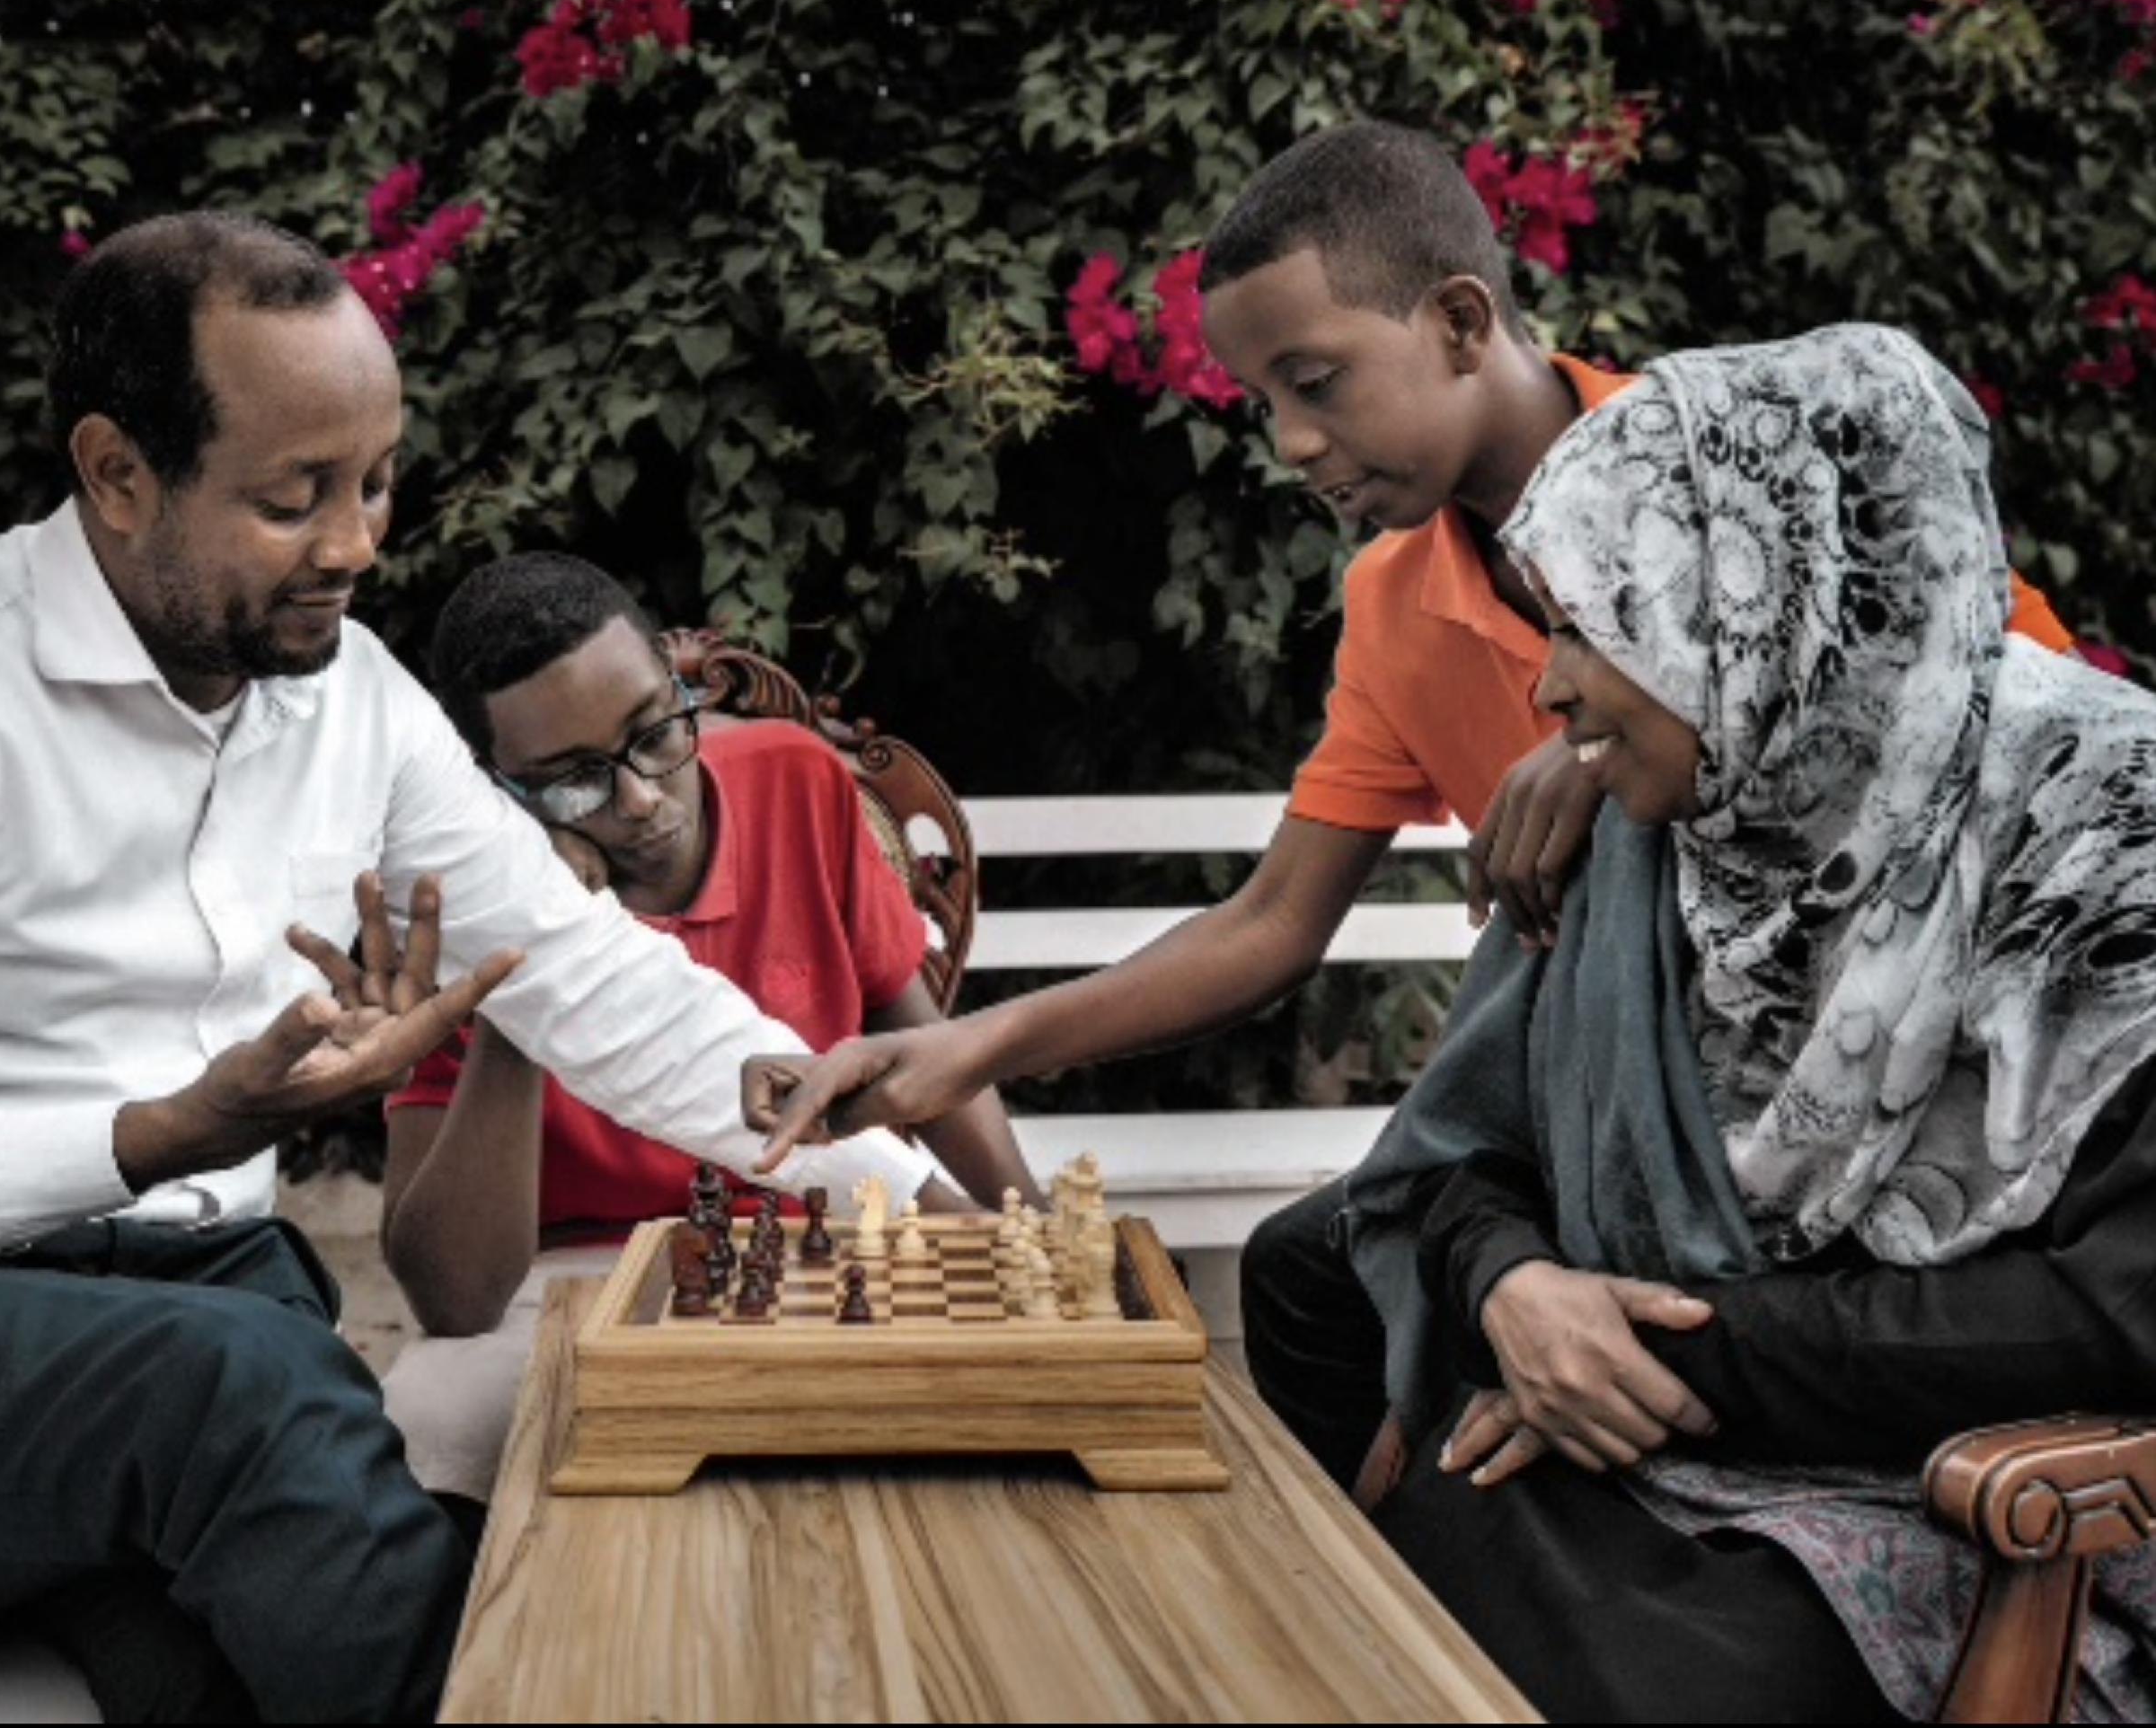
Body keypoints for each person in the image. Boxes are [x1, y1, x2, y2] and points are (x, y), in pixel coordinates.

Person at [0, 211, 933, 1724]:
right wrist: (162, 1135)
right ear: (115, 473)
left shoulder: (349, 697)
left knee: (238, 1554)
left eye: (374, 482)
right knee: (249, 1390)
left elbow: (577, 967)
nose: (358, 544)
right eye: (296, 496)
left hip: (173, 1344)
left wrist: (894, 1178)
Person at [741, 120, 2072, 1172]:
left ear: (1457, 321)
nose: (1291, 445)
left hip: (1927, 1065)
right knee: (1325, 1279)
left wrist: (1612, 756)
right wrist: (969, 1047)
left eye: (1314, 383)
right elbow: (1271, 921)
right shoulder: (1391, 605)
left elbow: (2006, 732)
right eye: (1264, 402)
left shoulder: (1743, 474)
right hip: (1641, 1098)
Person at [1256, 324, 2156, 1722]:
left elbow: (2109, 1313)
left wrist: (1655, 1355)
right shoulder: (1673, 827)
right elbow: (1461, 1154)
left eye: (1587, 624)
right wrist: (1515, 1288)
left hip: (1963, 1479)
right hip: (1649, 1435)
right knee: (1382, 1581)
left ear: (1752, 603)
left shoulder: (2105, 841)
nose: (1548, 695)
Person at [374, 553, 1039, 1500]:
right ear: (493, 790)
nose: (640, 800)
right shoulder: (459, 904)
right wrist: (529, 974)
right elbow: (455, 1300)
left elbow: (927, 1065)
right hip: (569, 1282)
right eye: (570, 782)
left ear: (673, 683)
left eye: (654, 735)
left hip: (813, 1252)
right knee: (432, 1423)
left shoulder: (797, 782)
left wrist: (1033, 1237)